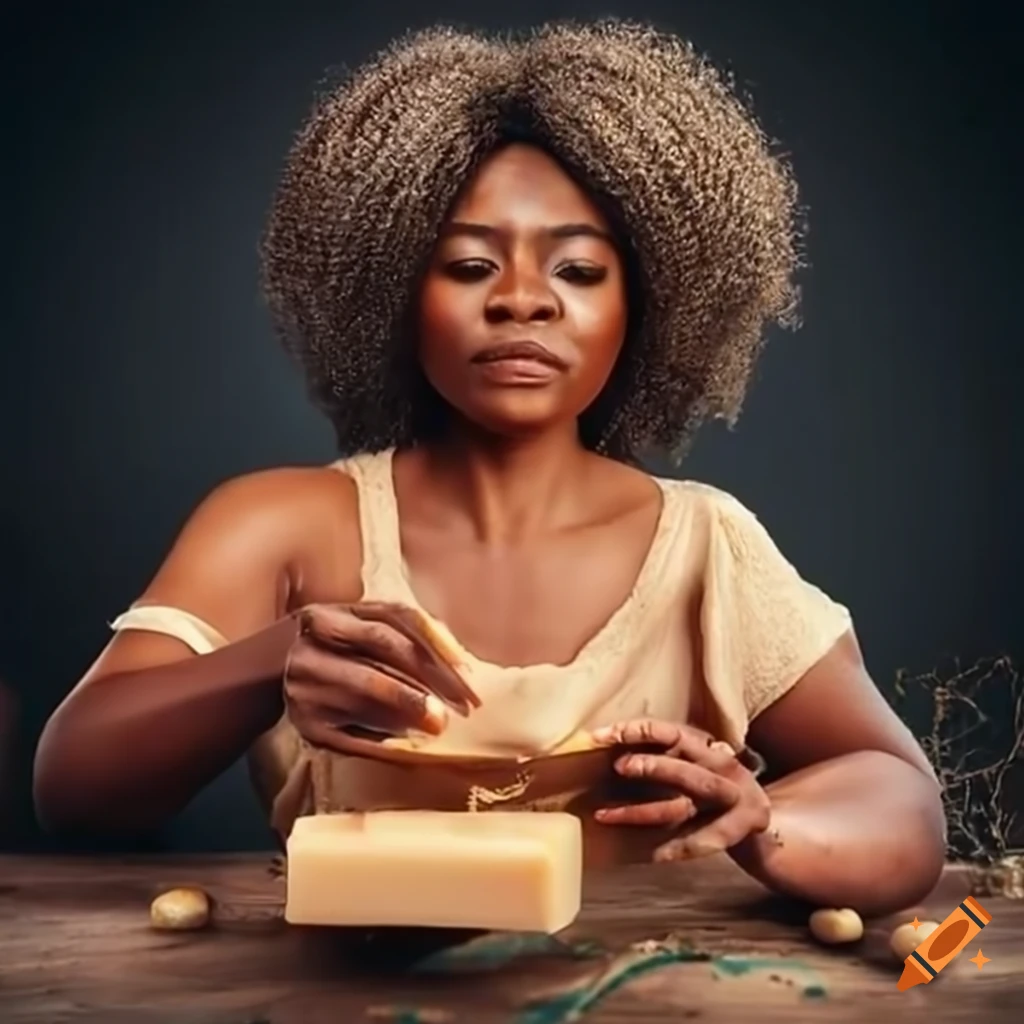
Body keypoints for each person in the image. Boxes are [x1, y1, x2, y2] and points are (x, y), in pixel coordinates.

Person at [33, 20, 945, 915]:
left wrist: (767, 823)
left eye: (579, 272)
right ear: (393, 291)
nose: (521, 300)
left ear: (649, 304)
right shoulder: (283, 528)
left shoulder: (708, 545)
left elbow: (900, 797)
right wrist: (273, 662)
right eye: (470, 264)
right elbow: (72, 790)